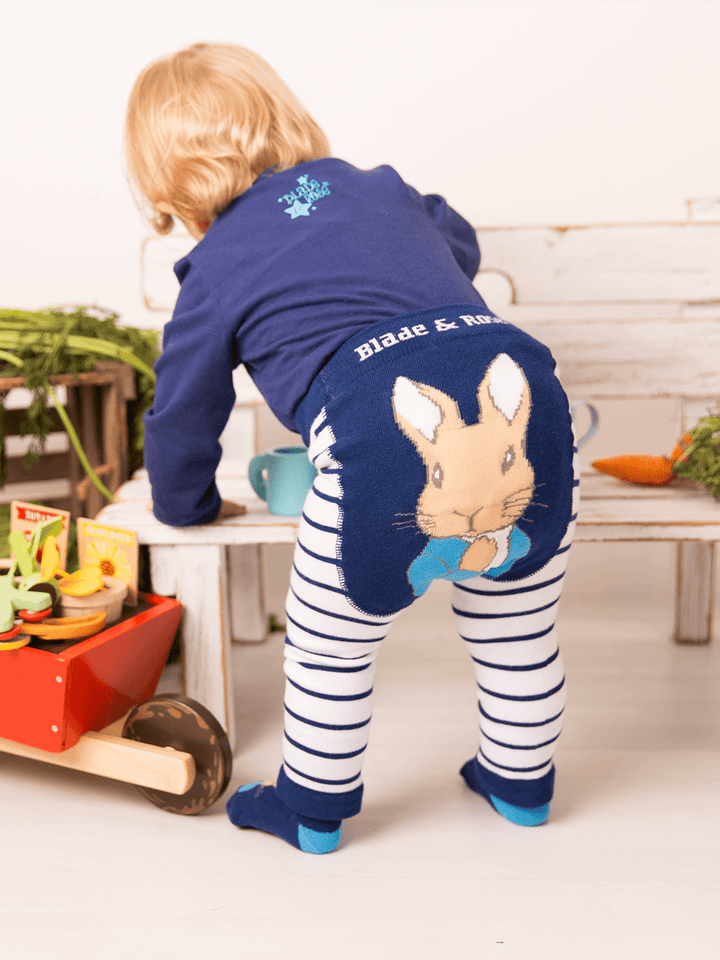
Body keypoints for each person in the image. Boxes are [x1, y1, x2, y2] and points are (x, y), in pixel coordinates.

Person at [125, 42, 578, 855]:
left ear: (171, 194)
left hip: (380, 421)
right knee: (518, 630)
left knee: (330, 646)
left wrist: (184, 504)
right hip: (524, 393)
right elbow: (461, 242)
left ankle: (312, 807)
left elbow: (184, 411)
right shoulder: (382, 187)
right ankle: (522, 785)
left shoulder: (215, 267)